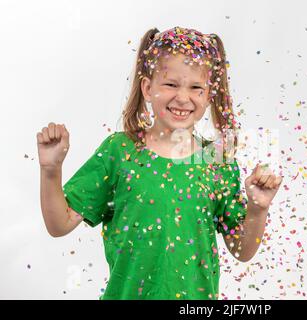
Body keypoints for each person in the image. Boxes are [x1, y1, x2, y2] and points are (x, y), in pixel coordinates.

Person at [37, 26, 283, 300]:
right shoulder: (119, 152)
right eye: (170, 84)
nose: (182, 97)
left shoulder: (217, 162)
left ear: (209, 94)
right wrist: (50, 170)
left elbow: (242, 250)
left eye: (196, 88)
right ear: (147, 87)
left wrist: (258, 209)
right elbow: (59, 225)